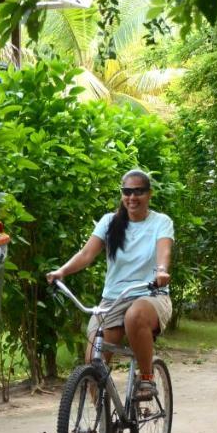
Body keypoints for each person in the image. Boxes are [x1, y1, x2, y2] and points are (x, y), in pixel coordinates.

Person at [45, 169, 173, 400]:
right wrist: (61, 271)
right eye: (127, 191)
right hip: (113, 299)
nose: (132, 197)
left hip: (151, 294)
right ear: (122, 194)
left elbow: (163, 251)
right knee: (94, 361)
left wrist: (162, 271)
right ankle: (104, 425)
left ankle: (146, 378)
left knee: (135, 316)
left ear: (149, 194)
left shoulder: (160, 222)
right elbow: (86, 254)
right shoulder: (109, 222)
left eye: (138, 192)